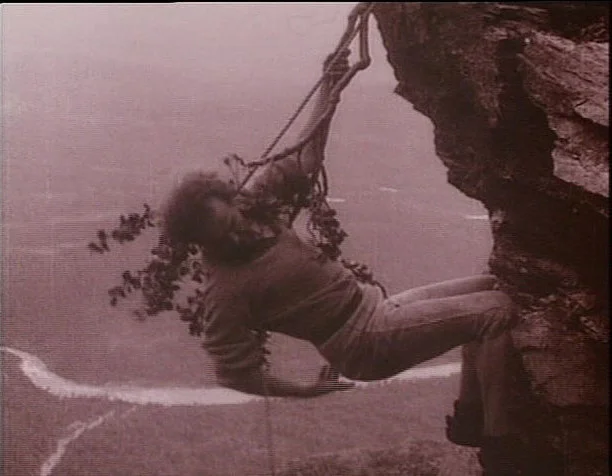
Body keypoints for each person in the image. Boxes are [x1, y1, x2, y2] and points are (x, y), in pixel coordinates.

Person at [161, 50, 520, 452]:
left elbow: (306, 159)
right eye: (219, 239)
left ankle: (469, 417)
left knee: (494, 287)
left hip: (374, 308)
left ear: (231, 199)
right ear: (202, 242)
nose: (235, 236)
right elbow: (233, 373)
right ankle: (500, 444)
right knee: (496, 312)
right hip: (362, 342)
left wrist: (329, 87)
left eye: (231, 222)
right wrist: (303, 391)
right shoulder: (226, 288)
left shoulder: (254, 204)